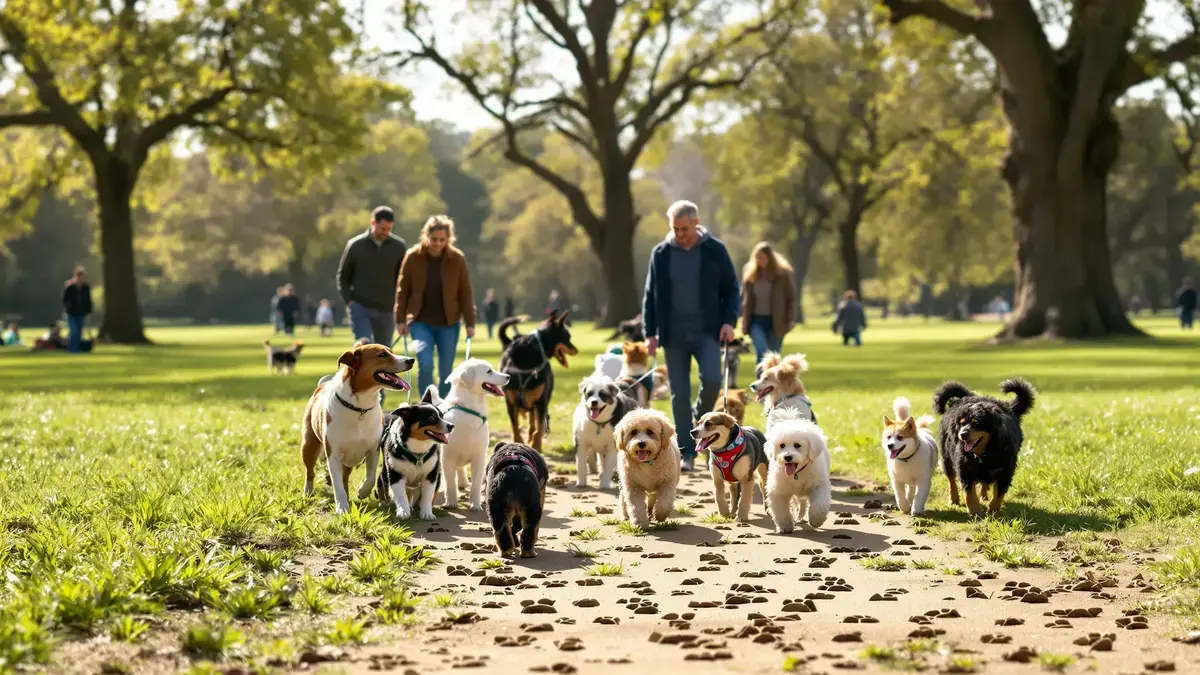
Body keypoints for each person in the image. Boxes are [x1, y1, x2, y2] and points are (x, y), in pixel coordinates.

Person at [642, 200, 739, 472]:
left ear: (696, 223)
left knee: (712, 379)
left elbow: (732, 289)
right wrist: (650, 333)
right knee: (679, 394)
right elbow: (650, 295)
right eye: (675, 228)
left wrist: (730, 322)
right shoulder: (660, 253)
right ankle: (687, 452)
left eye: (684, 228)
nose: (679, 234)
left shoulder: (715, 250)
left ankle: (701, 420)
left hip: (709, 330)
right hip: (672, 333)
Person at [394, 215, 477, 398]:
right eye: (434, 239)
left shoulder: (457, 259)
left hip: (449, 322)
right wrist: (400, 320)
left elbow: (466, 292)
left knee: (446, 369)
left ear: (448, 239)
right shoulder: (413, 257)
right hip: (420, 321)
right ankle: (426, 403)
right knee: (425, 363)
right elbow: (402, 290)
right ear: (426, 236)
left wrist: (470, 323)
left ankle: (443, 408)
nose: (438, 244)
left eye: (442, 240)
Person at [336, 206, 408, 346]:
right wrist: (350, 302)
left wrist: (402, 306)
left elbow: (404, 278)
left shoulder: (399, 247)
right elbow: (343, 276)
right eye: (382, 229)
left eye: (389, 229)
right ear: (373, 223)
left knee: (384, 351)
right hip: (360, 306)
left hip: (387, 309)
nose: (386, 233)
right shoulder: (355, 245)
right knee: (364, 346)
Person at [739, 241, 796, 365]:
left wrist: (791, 318)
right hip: (756, 321)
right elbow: (743, 298)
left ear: (770, 258)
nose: (761, 260)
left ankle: (773, 383)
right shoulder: (750, 275)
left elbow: (791, 298)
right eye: (758, 258)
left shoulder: (782, 275)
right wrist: (742, 318)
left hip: (777, 321)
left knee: (774, 357)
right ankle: (762, 383)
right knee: (761, 352)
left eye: (764, 257)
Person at [62, 266, 93, 353]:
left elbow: (88, 300)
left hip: (81, 313)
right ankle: (72, 349)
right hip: (71, 313)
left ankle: (77, 348)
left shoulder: (86, 288)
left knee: (79, 332)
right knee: (73, 331)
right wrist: (68, 308)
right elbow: (65, 300)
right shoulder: (70, 287)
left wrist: (88, 311)